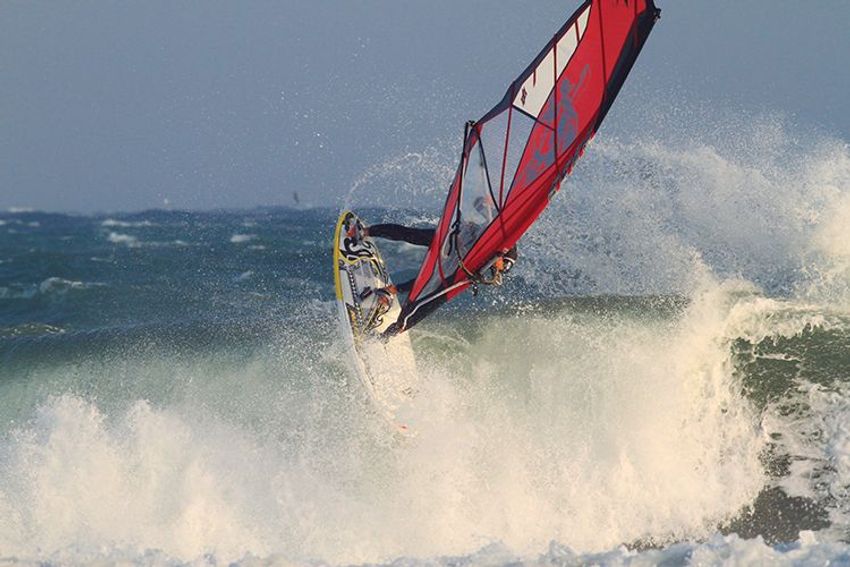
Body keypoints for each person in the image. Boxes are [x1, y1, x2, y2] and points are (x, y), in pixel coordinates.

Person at [349, 220, 517, 302]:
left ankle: (390, 291)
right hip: (452, 239)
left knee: (431, 281)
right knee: (411, 235)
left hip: (461, 262)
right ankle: (365, 232)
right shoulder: (498, 222)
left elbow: (501, 271)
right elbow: (481, 204)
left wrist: (497, 264)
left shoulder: (510, 250)